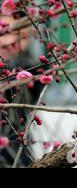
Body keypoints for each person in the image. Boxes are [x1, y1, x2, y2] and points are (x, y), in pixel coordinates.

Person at [0, 11, 43, 168]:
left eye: (15, 32)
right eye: (4, 31)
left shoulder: (32, 69)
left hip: (17, 154)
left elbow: (36, 81)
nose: (8, 40)